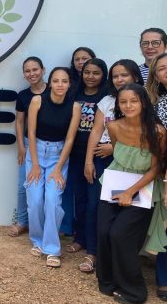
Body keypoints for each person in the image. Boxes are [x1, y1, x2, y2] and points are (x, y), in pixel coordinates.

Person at [95, 83, 165, 303]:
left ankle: (134, 292)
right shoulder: (113, 126)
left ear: (143, 102)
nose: (128, 105)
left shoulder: (158, 132)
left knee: (121, 234)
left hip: (143, 186)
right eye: (123, 101)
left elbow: (156, 167)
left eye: (134, 101)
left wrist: (130, 192)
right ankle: (107, 282)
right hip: (114, 182)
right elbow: (118, 154)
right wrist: (121, 189)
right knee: (104, 231)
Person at [82, 59, 144, 274]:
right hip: (102, 160)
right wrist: (89, 161)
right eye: (115, 76)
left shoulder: (143, 99)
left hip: (133, 164)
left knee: (127, 209)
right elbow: (96, 131)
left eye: (124, 75)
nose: (119, 79)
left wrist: (114, 147)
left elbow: (146, 133)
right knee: (96, 207)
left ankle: (123, 259)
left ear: (135, 76)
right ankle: (92, 253)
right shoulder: (106, 101)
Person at [25, 67, 80, 268]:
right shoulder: (37, 101)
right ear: (50, 83)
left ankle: (52, 249)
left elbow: (70, 139)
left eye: (64, 81)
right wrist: (35, 164)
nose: (60, 85)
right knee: (35, 200)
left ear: (69, 84)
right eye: (56, 81)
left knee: (53, 200)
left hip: (59, 155)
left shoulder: (74, 107)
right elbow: (31, 133)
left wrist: (58, 168)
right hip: (36, 153)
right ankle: (38, 241)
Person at [63, 59, 108, 267]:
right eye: (87, 72)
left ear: (103, 75)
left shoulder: (106, 97)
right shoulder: (74, 94)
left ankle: (93, 247)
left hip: (97, 156)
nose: (90, 76)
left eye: (96, 73)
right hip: (75, 155)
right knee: (79, 199)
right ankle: (79, 238)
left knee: (93, 203)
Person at [8, 56, 46, 237]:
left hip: (51, 146)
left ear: (43, 70)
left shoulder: (54, 91)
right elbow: (19, 121)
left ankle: (45, 224)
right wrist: (21, 147)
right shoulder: (23, 95)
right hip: (27, 145)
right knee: (24, 186)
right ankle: (23, 222)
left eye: (35, 69)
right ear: (24, 74)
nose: (32, 73)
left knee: (48, 189)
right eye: (27, 71)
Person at [144, 52, 167, 300]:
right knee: (166, 226)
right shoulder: (160, 104)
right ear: (156, 76)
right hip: (166, 171)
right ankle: (164, 280)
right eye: (161, 68)